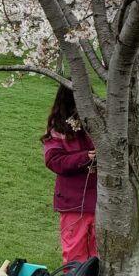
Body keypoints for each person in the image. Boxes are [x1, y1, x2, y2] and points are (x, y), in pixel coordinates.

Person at [42, 84, 98, 264]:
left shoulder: (98, 122)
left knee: (101, 255)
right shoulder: (58, 128)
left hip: (102, 200)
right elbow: (54, 160)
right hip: (74, 202)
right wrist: (85, 157)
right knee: (75, 254)